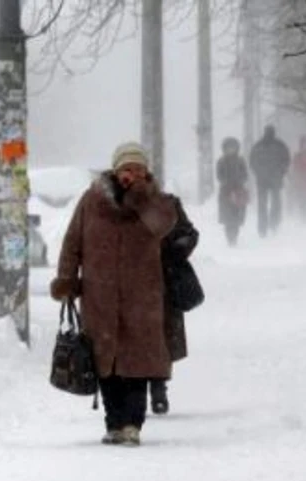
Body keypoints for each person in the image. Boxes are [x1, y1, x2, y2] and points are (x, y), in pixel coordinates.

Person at [50, 141, 177, 447]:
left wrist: (141, 196)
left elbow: (164, 226)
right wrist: (67, 279)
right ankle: (114, 423)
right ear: (115, 170)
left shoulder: (155, 201)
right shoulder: (92, 200)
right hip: (100, 295)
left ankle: (133, 423)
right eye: (126, 168)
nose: (131, 174)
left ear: (146, 172)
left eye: (138, 169)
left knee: (138, 362)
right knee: (105, 362)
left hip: (141, 296)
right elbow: (73, 242)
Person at [151, 196, 199, 415]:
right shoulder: (115, 204)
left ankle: (158, 388)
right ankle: (137, 391)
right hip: (127, 283)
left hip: (163, 282)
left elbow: (189, 234)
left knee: (161, 337)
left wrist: (171, 250)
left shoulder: (165, 203)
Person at [249, 125, 291, 237]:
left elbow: (286, 161)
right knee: (266, 204)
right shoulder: (276, 145)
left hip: (272, 179)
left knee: (274, 203)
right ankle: (265, 228)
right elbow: (252, 162)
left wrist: (281, 172)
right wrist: (259, 172)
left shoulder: (275, 145)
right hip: (265, 179)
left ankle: (272, 225)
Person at [216, 137, 250, 246]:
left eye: (233, 147)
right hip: (225, 192)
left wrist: (239, 182)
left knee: (237, 216)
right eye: (229, 147)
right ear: (224, 148)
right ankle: (229, 238)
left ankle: (234, 236)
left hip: (239, 191)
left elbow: (245, 174)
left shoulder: (240, 160)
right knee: (227, 216)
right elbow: (219, 175)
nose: (231, 149)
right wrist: (226, 182)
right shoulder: (221, 161)